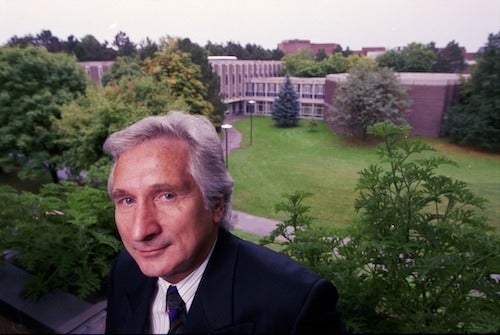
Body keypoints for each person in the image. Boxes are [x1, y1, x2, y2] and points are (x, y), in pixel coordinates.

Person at [103, 111, 345, 334]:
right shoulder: (126, 270)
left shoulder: (295, 305)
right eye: (127, 200)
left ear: (217, 205)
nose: (139, 231)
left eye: (167, 196)